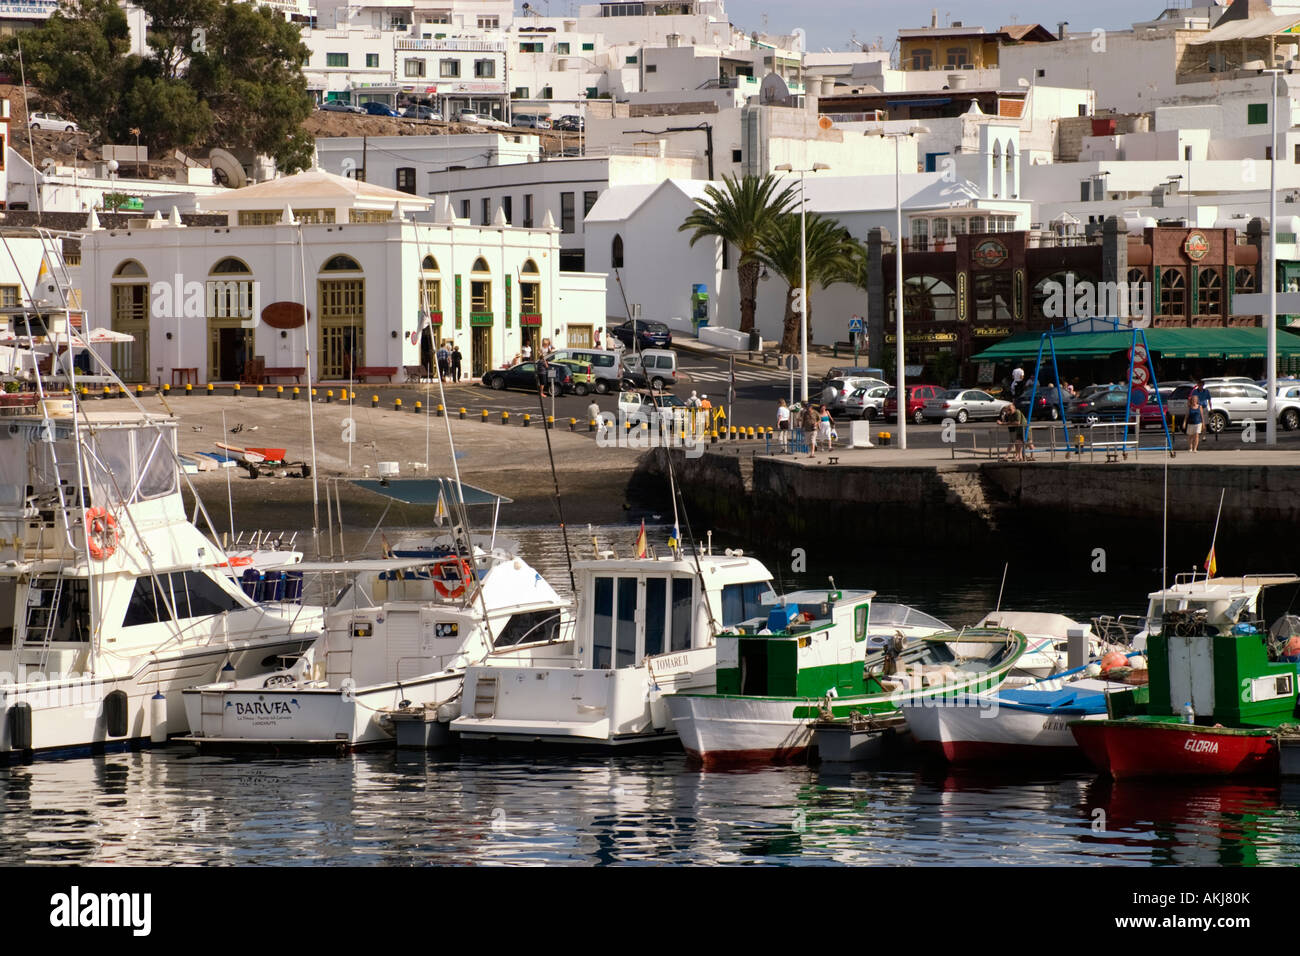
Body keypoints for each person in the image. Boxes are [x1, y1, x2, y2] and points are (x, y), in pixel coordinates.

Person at [1187, 388, 1204, 453]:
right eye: (1193, 400)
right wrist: (1184, 422)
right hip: (1190, 423)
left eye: (1195, 400)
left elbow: (1202, 415)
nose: (1194, 401)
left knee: (1196, 435)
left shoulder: (1200, 406)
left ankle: (1195, 448)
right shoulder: (1189, 407)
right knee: (1190, 436)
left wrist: (1203, 423)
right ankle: (1190, 448)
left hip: (1198, 423)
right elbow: (1187, 415)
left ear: (1197, 400)